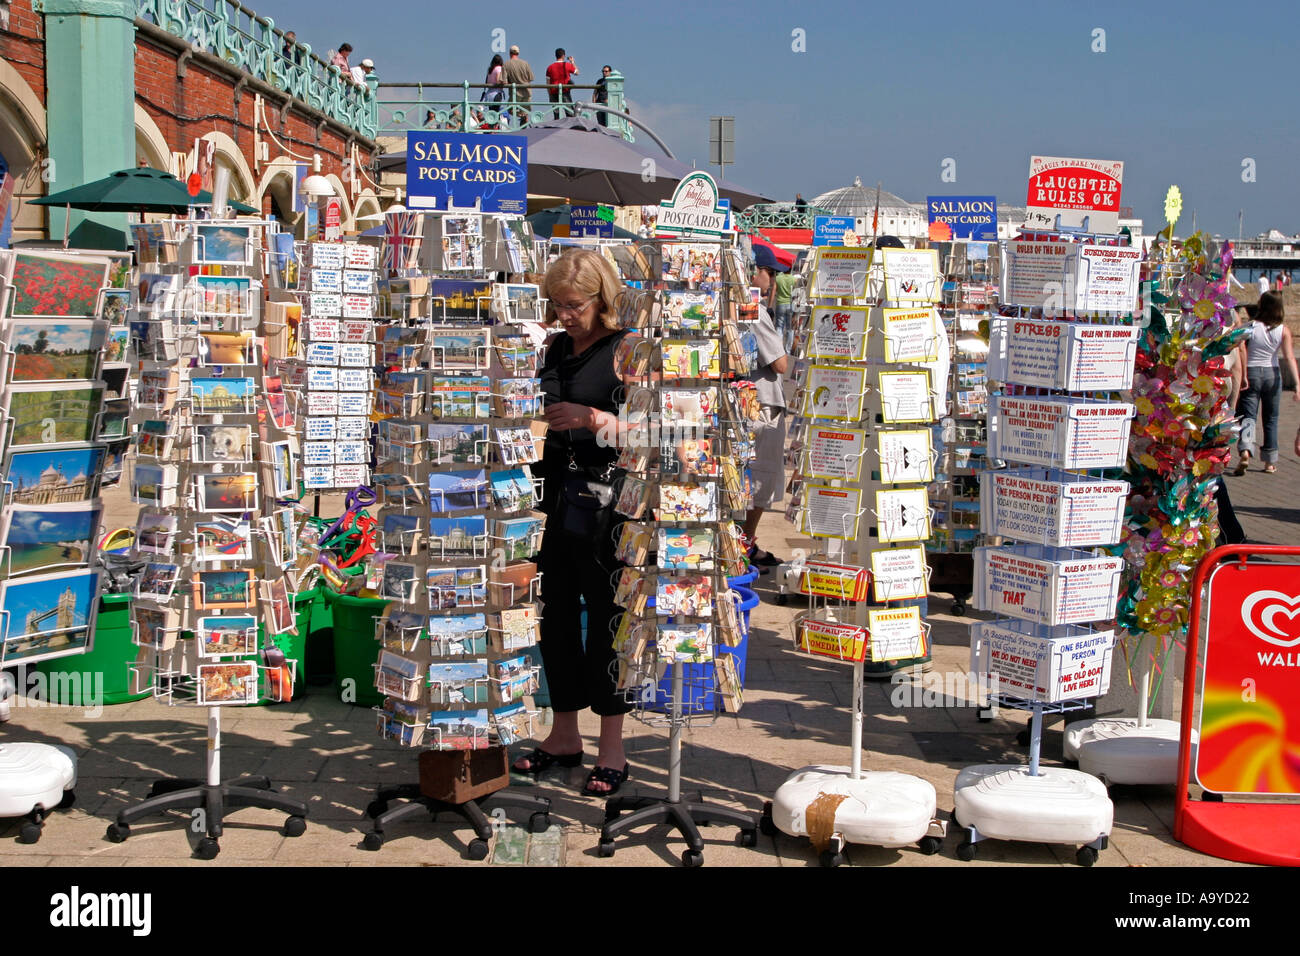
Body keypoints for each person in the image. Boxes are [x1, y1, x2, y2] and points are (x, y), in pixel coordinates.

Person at [512, 250, 641, 797]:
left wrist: (595, 421)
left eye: (574, 305)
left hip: (608, 505)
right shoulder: (557, 346)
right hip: (551, 500)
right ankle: (563, 735)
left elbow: (664, 434)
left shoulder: (629, 348)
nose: (564, 314)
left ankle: (613, 746)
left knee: (610, 620)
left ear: (601, 298)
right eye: (556, 304)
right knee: (555, 615)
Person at [744, 245, 791, 570]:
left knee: (749, 480)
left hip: (748, 401)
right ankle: (744, 544)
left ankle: (745, 542)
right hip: (762, 404)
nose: (772, 280)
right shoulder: (752, 310)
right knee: (759, 481)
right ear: (753, 271)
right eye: (769, 273)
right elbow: (781, 364)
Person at [1234, 291, 1299, 475]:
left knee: (1248, 415)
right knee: (1271, 419)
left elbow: (1237, 347)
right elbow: (1289, 358)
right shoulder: (1283, 330)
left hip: (1252, 372)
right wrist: (1297, 384)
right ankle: (1269, 462)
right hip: (1272, 374)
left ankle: (1245, 450)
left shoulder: (1250, 327)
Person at [502, 45, 533, 120]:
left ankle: (521, 117)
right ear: (518, 53)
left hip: (515, 93)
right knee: (525, 112)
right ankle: (524, 120)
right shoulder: (525, 63)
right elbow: (531, 78)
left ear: (510, 53)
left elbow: (504, 81)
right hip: (527, 91)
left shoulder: (506, 64)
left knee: (510, 110)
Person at [545, 48, 579, 118]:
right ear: (563, 56)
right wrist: (572, 61)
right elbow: (577, 72)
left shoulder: (549, 67)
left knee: (556, 114)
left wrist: (550, 94)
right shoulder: (567, 65)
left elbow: (548, 83)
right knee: (570, 113)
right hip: (565, 91)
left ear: (555, 56)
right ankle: (570, 128)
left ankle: (556, 128)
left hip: (553, 92)